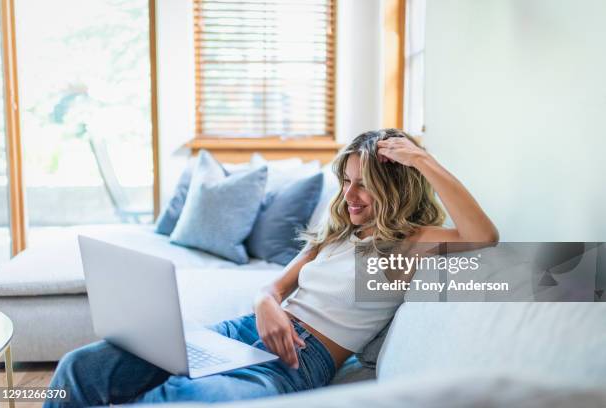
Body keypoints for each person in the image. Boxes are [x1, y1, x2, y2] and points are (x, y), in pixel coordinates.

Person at [44, 129, 498, 406]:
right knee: (83, 366)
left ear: (398, 187)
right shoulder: (339, 231)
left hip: (296, 363)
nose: (350, 196)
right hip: (242, 331)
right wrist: (265, 302)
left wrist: (422, 159)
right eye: (347, 182)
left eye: (366, 186)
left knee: (183, 400)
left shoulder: (414, 241)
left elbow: (483, 235)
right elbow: (275, 287)